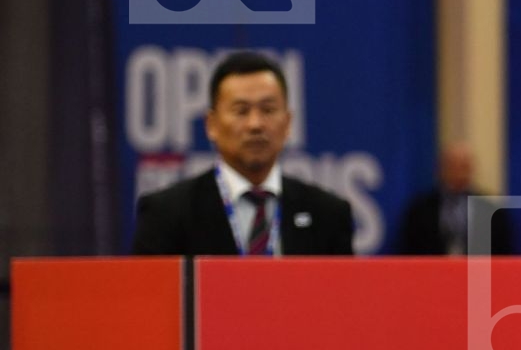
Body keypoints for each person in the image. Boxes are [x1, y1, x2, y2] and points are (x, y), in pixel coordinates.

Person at [130, 51, 354, 256]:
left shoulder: (328, 214)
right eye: (241, 111)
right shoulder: (166, 214)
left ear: (288, 123)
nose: (255, 124)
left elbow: (344, 298)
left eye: (268, 110)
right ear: (212, 125)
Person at [395, 142, 513, 255]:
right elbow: (409, 252)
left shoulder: (491, 211)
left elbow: (503, 255)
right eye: (452, 165)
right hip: (433, 273)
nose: (458, 172)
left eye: (463, 166)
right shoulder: (420, 210)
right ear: (441, 168)